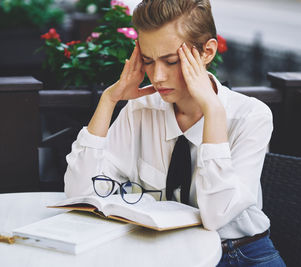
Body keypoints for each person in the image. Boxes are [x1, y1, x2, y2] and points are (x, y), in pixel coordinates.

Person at [64, 0, 285, 266]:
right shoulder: (140, 111)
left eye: (171, 61)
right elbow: (78, 192)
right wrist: (109, 99)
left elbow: (216, 215)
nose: (157, 76)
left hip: (241, 253)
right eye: (148, 61)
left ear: (207, 52)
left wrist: (213, 111)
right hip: (164, 253)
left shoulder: (251, 116)